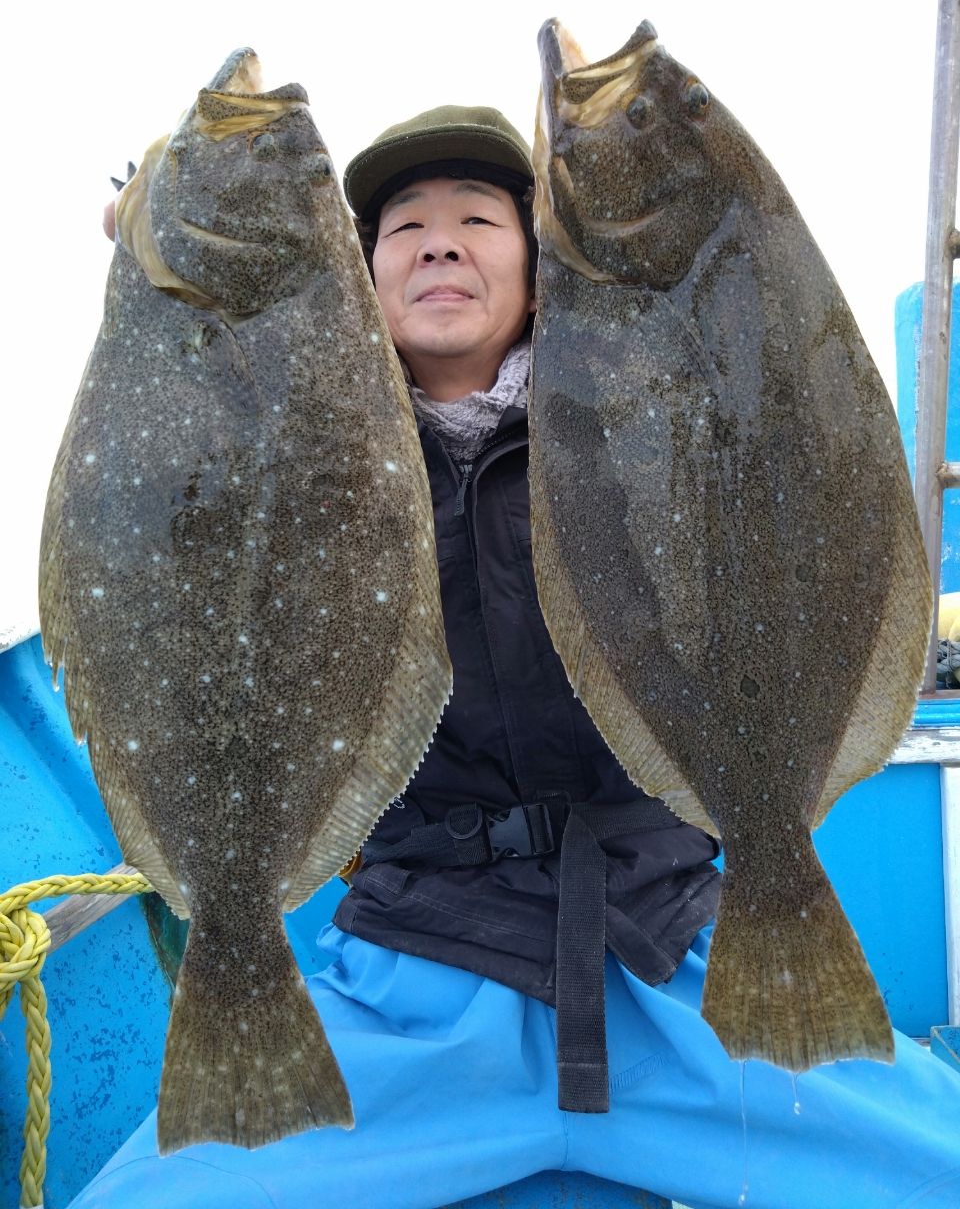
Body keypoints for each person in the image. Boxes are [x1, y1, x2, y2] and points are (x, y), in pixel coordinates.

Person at [72, 107, 960, 1209]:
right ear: (357, 279)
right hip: (418, 977)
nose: (439, 242)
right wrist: (155, 232)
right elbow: (162, 469)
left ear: (543, 271)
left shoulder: (637, 417)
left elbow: (758, 358)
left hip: (662, 950)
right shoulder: (298, 452)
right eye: (404, 227)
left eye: (480, 218)